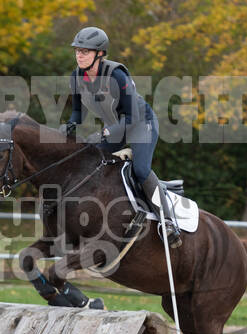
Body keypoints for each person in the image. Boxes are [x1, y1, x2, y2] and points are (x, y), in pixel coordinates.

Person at [60, 26, 182, 248]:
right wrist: (69, 126)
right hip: (116, 126)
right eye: (77, 50)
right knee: (90, 162)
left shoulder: (116, 74)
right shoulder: (76, 77)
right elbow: (78, 112)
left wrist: (107, 132)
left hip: (140, 123)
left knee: (141, 170)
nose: (79, 54)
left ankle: (168, 221)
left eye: (85, 51)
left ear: (100, 54)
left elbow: (131, 116)